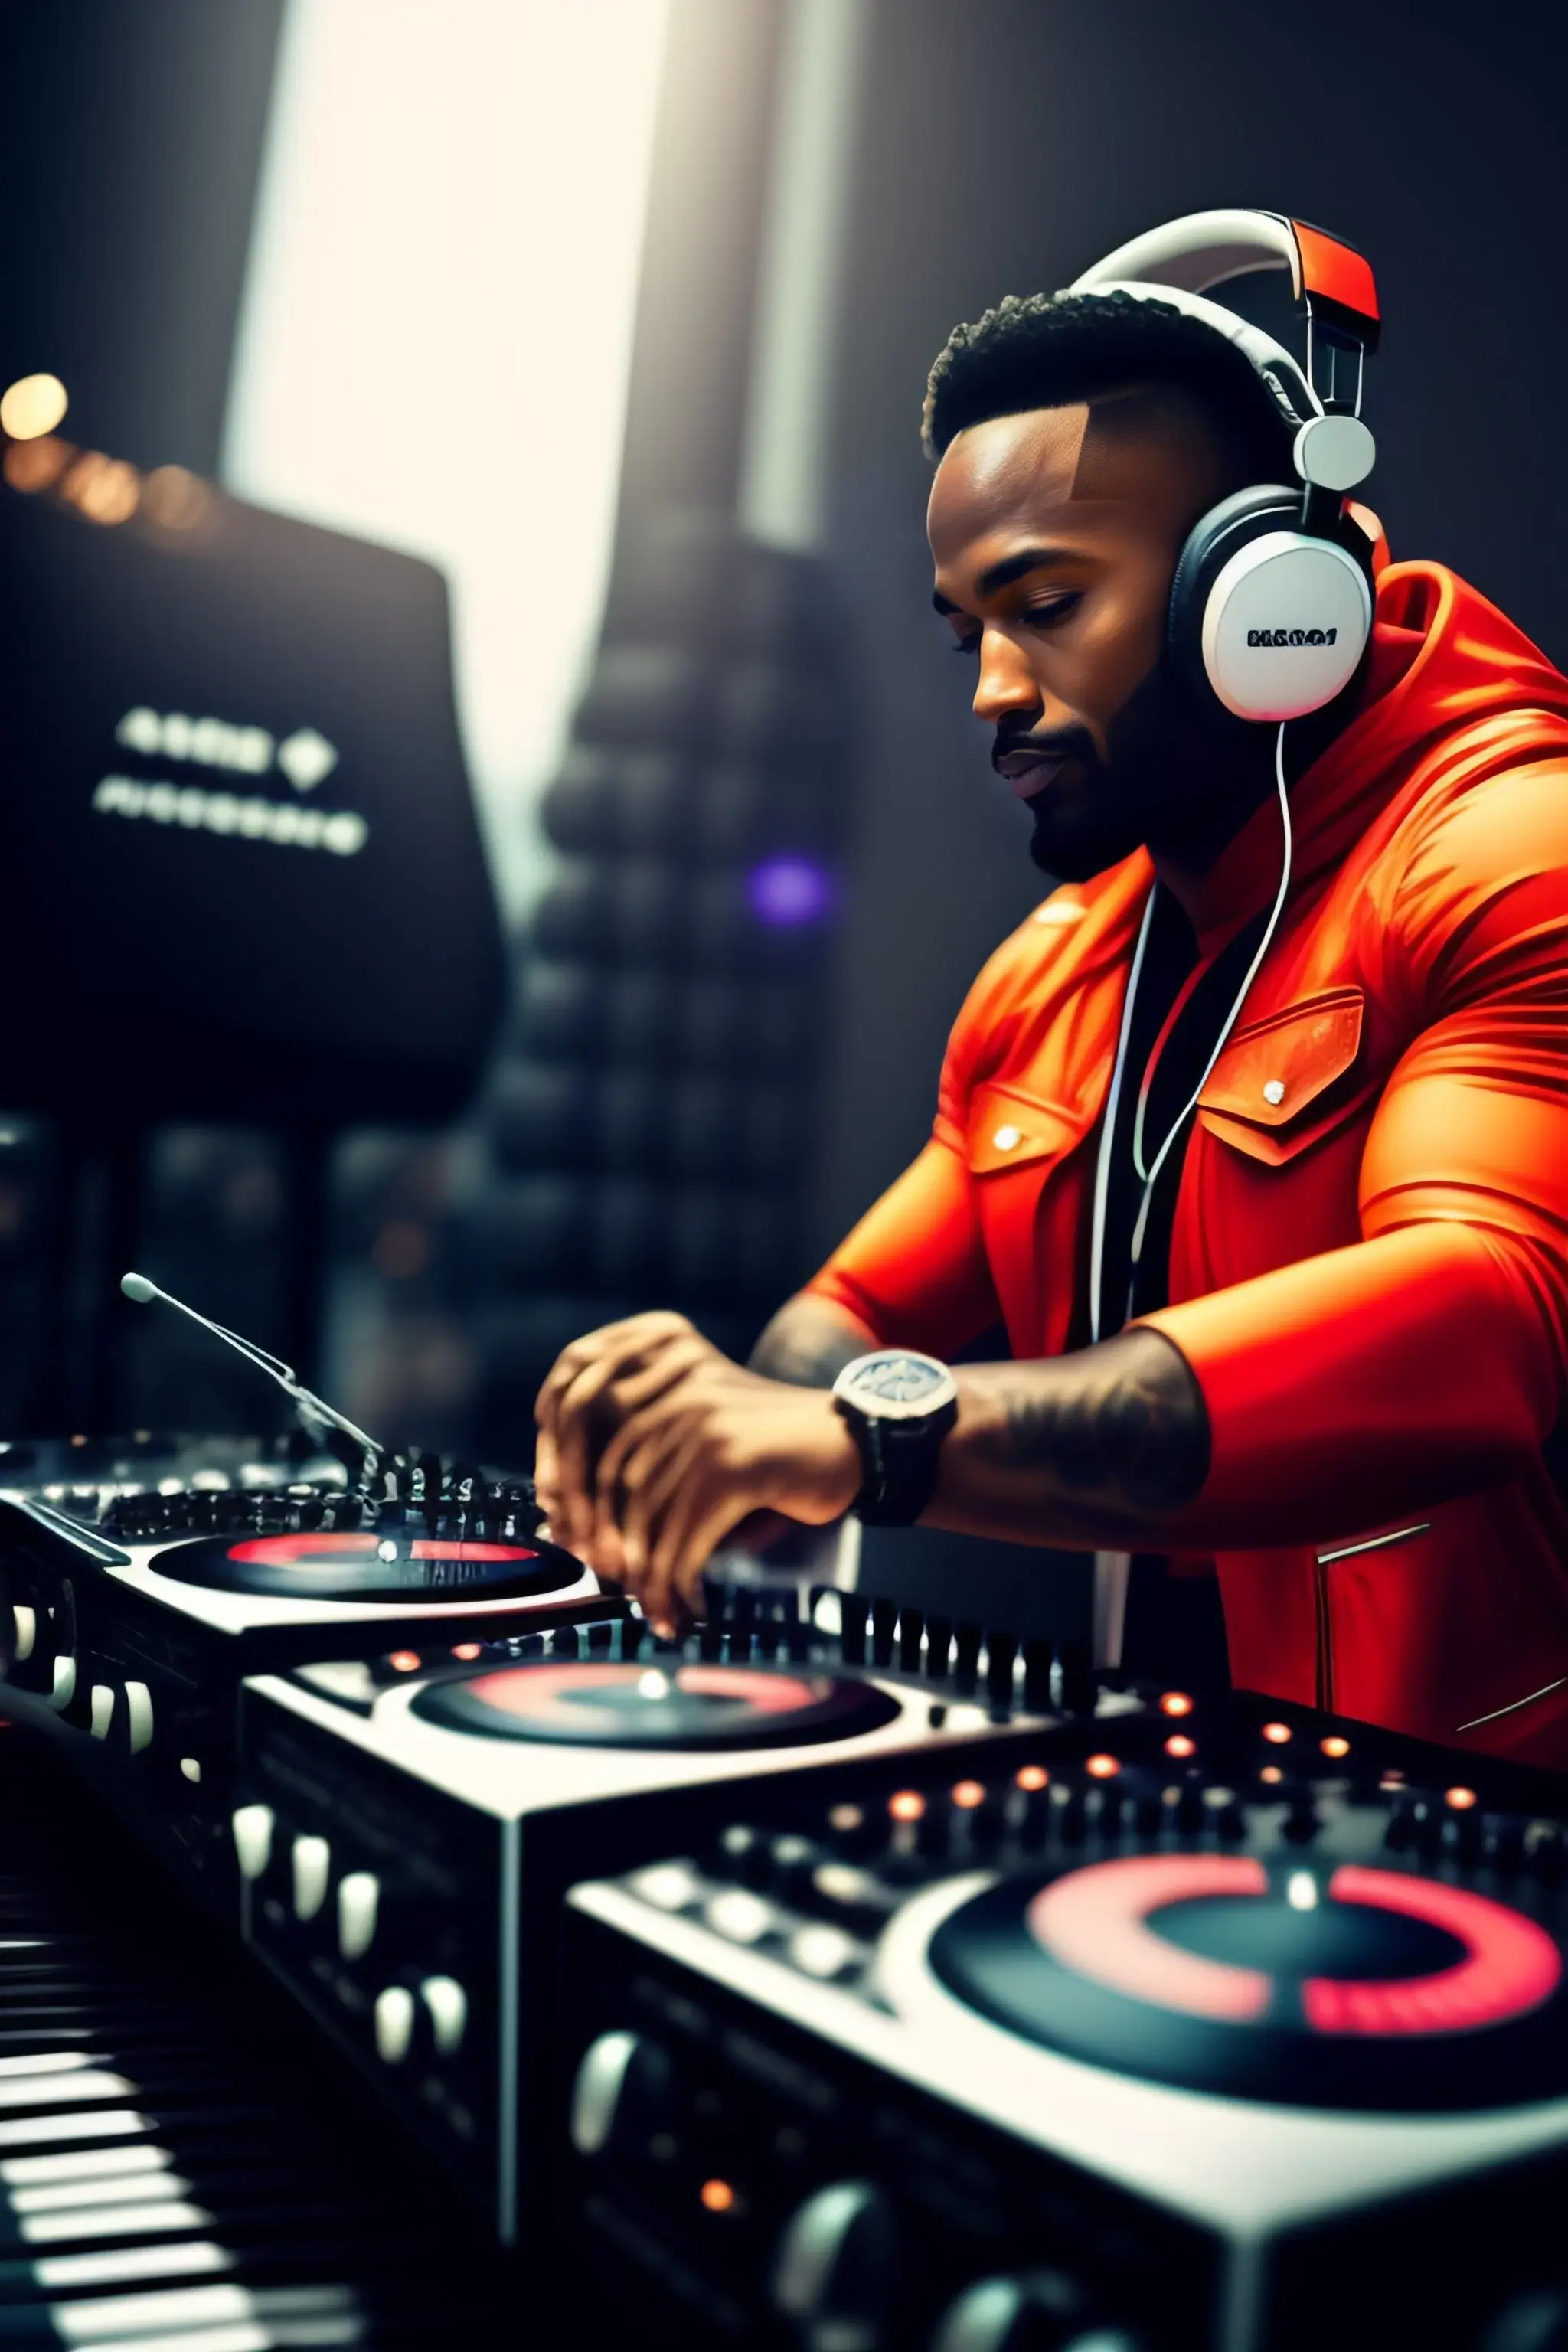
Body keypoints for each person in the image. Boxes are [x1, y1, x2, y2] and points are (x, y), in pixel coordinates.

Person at [534, 212, 1568, 1767]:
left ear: (1266, 595)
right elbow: (865, 1312)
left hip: (1475, 1837)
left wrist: (872, 1442)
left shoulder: (1512, 850)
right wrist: (724, 1429)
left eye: (1048, 605)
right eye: (969, 629)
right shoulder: (1061, 968)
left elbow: (1480, 1326)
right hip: (1193, 1817)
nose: (991, 692)